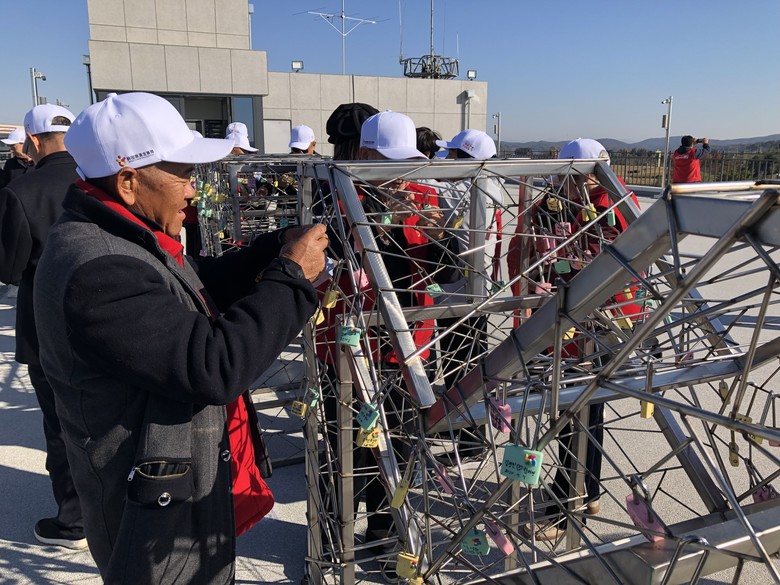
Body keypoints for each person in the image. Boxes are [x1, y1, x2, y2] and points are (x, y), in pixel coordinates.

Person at [34, 92, 328, 583]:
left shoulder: (120, 233)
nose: (192, 190)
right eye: (184, 174)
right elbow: (213, 367)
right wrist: (291, 278)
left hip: (170, 490)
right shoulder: (98, 267)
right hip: (151, 520)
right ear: (128, 182)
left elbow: (194, 284)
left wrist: (272, 250)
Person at [508, 138, 641, 541]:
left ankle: (568, 505)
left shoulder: (614, 206)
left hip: (596, 324)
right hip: (570, 322)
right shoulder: (558, 205)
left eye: (579, 177)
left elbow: (626, 264)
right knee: (580, 410)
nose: (572, 185)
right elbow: (521, 254)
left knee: (576, 412)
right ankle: (586, 491)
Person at [0, 104, 85, 549]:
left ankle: (73, 520)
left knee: (60, 423)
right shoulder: (99, 178)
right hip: (110, 310)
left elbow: (9, 269)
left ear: (33, 140)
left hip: (45, 322)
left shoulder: (21, 190)